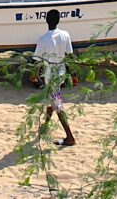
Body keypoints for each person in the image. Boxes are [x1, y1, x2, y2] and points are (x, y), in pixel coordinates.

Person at [34, 9, 76, 146]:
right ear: (59, 20)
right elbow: (70, 55)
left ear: (46, 20)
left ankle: (70, 137)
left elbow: (37, 60)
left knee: (57, 105)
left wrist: (34, 75)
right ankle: (44, 128)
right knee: (52, 101)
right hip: (61, 73)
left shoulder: (43, 39)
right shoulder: (65, 35)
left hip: (50, 76)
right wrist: (73, 74)